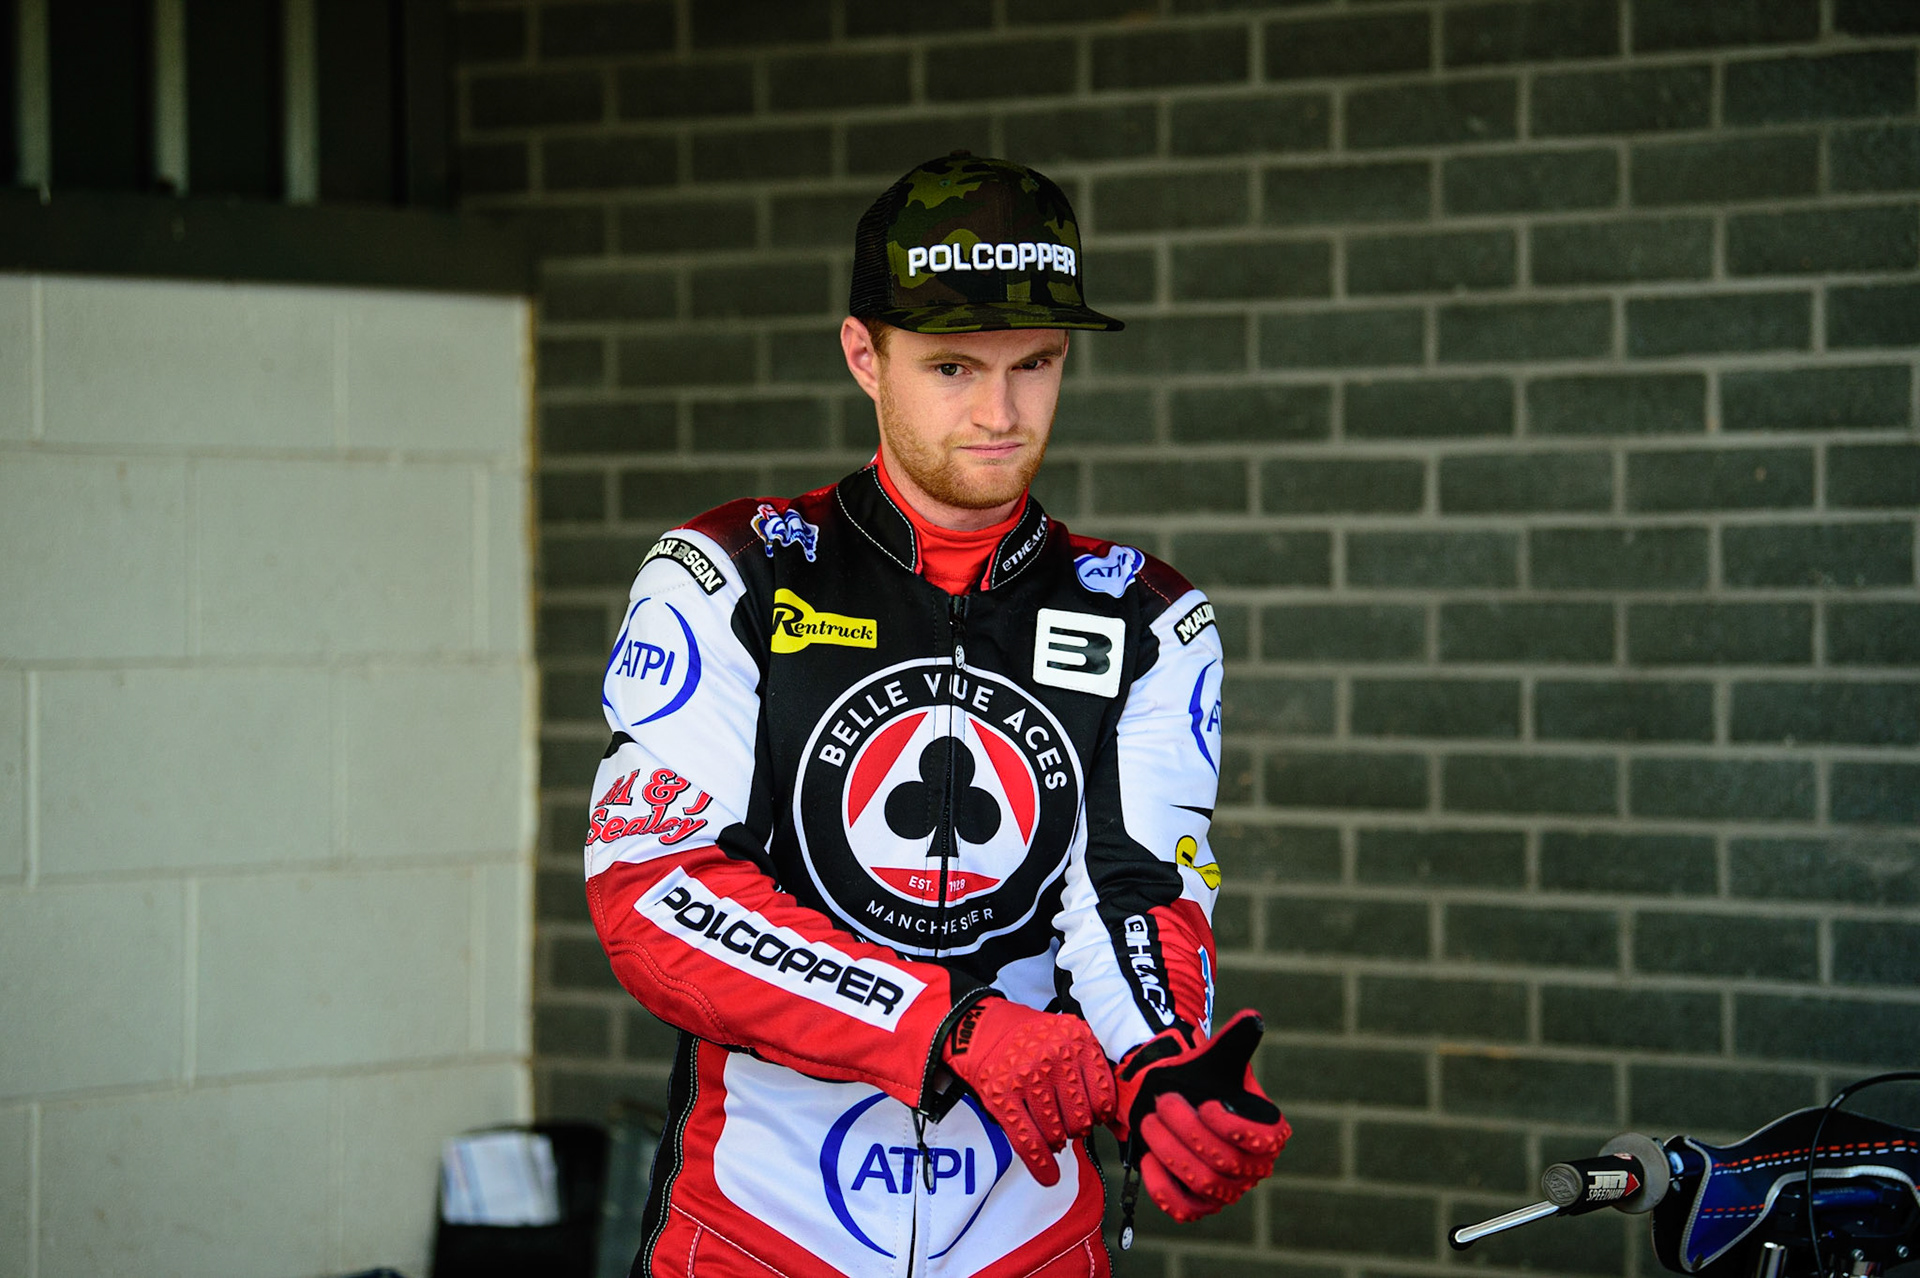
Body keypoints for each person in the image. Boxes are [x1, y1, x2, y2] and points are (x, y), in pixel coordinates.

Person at [585, 152, 1290, 1278]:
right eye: (953, 365)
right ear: (865, 353)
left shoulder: (1153, 617)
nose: (1002, 413)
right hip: (760, 1234)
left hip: (1027, 1238)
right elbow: (655, 894)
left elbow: (1133, 891)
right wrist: (949, 1030)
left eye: (1037, 364)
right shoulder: (730, 571)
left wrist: (1164, 1067)